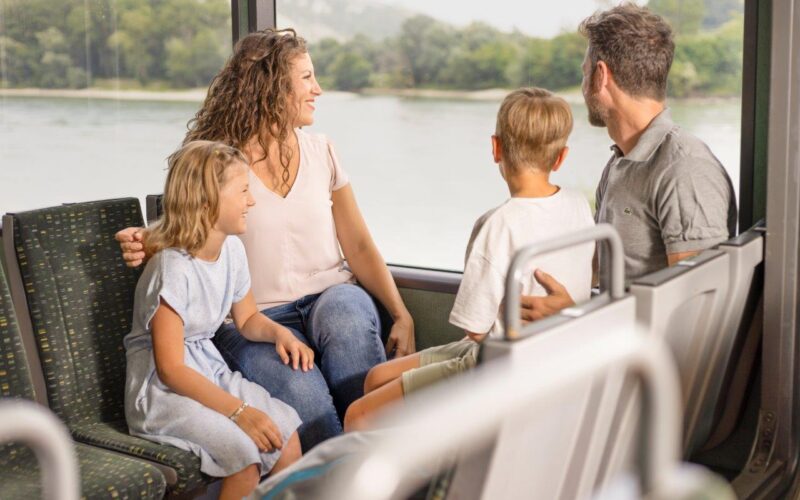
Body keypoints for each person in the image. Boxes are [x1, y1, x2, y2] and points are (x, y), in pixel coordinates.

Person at [117, 29, 415, 450]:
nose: (319, 89)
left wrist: (401, 314)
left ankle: (389, 465)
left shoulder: (323, 151)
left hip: (332, 295)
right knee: (309, 405)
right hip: (253, 322)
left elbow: (360, 246)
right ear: (274, 87)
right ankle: (336, 484)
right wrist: (148, 239)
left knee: (346, 316)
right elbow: (188, 230)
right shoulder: (220, 164)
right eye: (307, 78)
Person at [342, 88, 596, 431]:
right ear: (561, 157)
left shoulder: (497, 225)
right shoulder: (579, 204)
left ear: (495, 148)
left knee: (358, 416)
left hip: (497, 362)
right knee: (376, 377)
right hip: (541, 352)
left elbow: (474, 330)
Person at [520, 3, 737, 321]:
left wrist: (572, 317)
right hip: (604, 347)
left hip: (633, 363)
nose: (582, 89)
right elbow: (603, 270)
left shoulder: (685, 169)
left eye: (584, 73)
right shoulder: (622, 160)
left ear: (601, 77)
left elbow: (693, 319)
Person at [124, 141, 311, 499]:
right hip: (161, 393)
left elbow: (248, 318)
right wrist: (240, 412)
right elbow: (171, 369)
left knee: (285, 435)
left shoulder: (232, 251)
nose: (251, 201)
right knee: (244, 458)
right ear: (208, 200)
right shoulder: (172, 268)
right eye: (243, 191)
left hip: (209, 372)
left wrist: (278, 333)